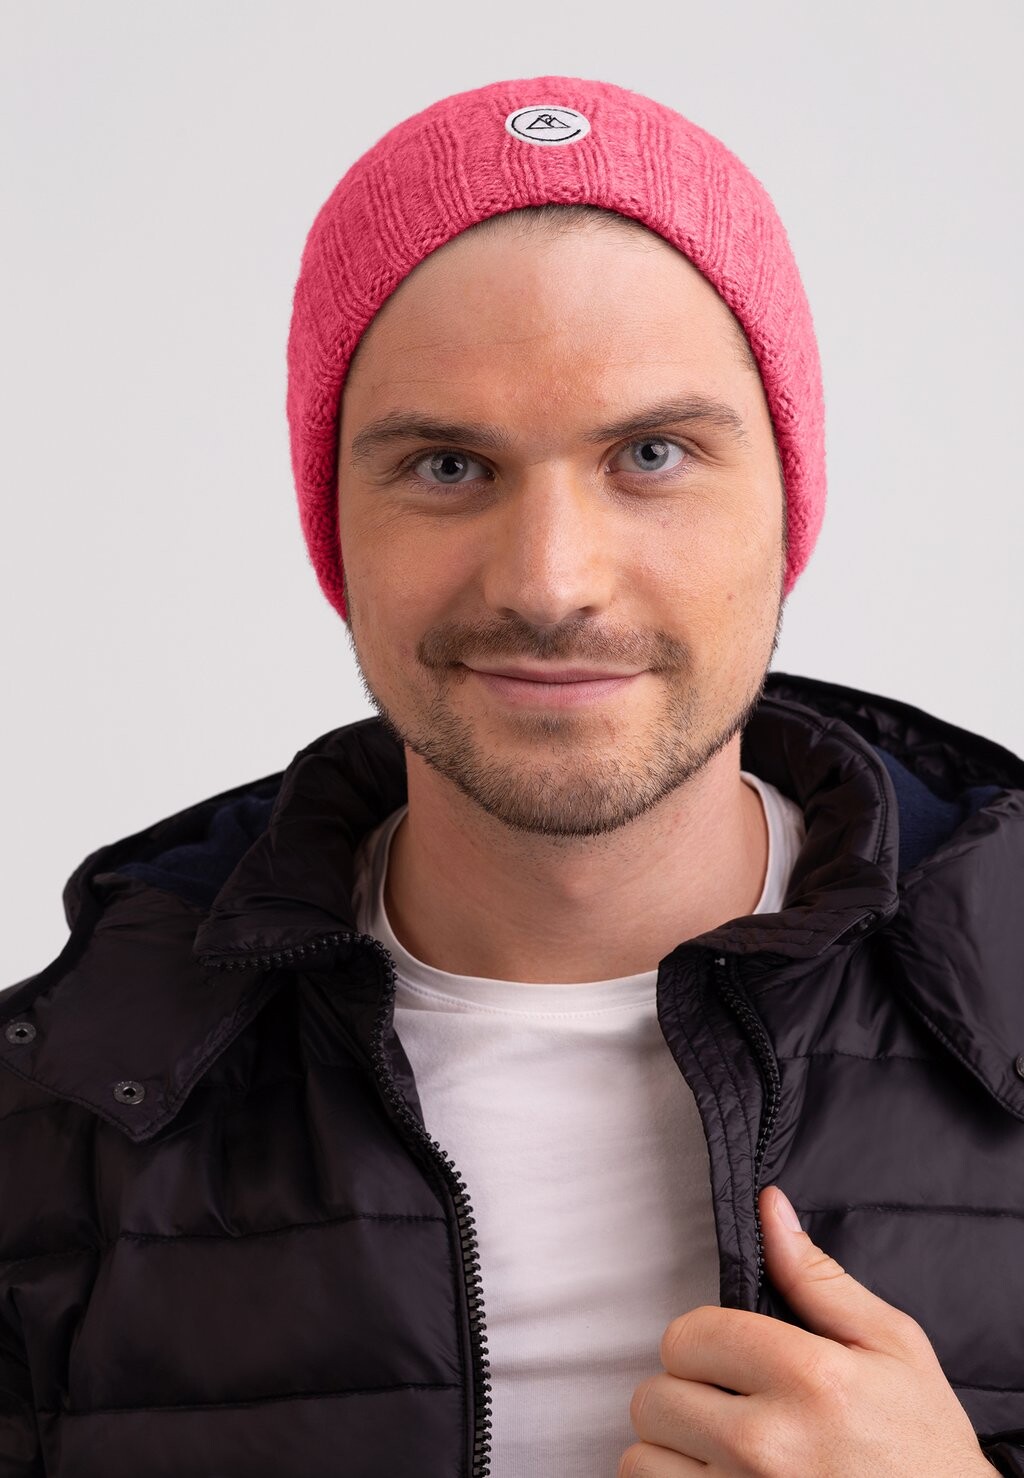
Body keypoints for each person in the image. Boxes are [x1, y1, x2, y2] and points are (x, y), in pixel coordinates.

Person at [1, 74, 1021, 1478]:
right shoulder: (58, 1119)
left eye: (651, 454)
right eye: (446, 465)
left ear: (789, 502)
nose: (549, 581)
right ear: (335, 528)